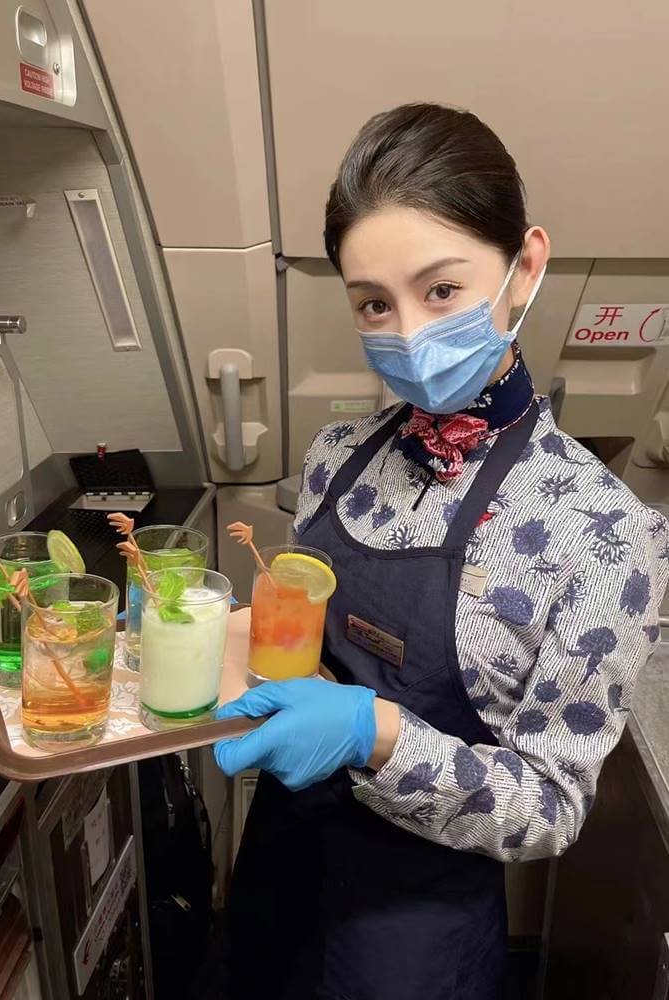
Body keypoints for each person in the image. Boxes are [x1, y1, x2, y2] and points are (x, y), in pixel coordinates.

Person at [213, 103, 669, 1000]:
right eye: (374, 303)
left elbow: (551, 808)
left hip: (412, 931)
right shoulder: (337, 460)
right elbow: (304, 647)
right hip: (279, 865)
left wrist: (369, 732)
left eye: (443, 291)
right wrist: (207, 637)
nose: (409, 333)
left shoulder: (603, 531)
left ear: (524, 265)